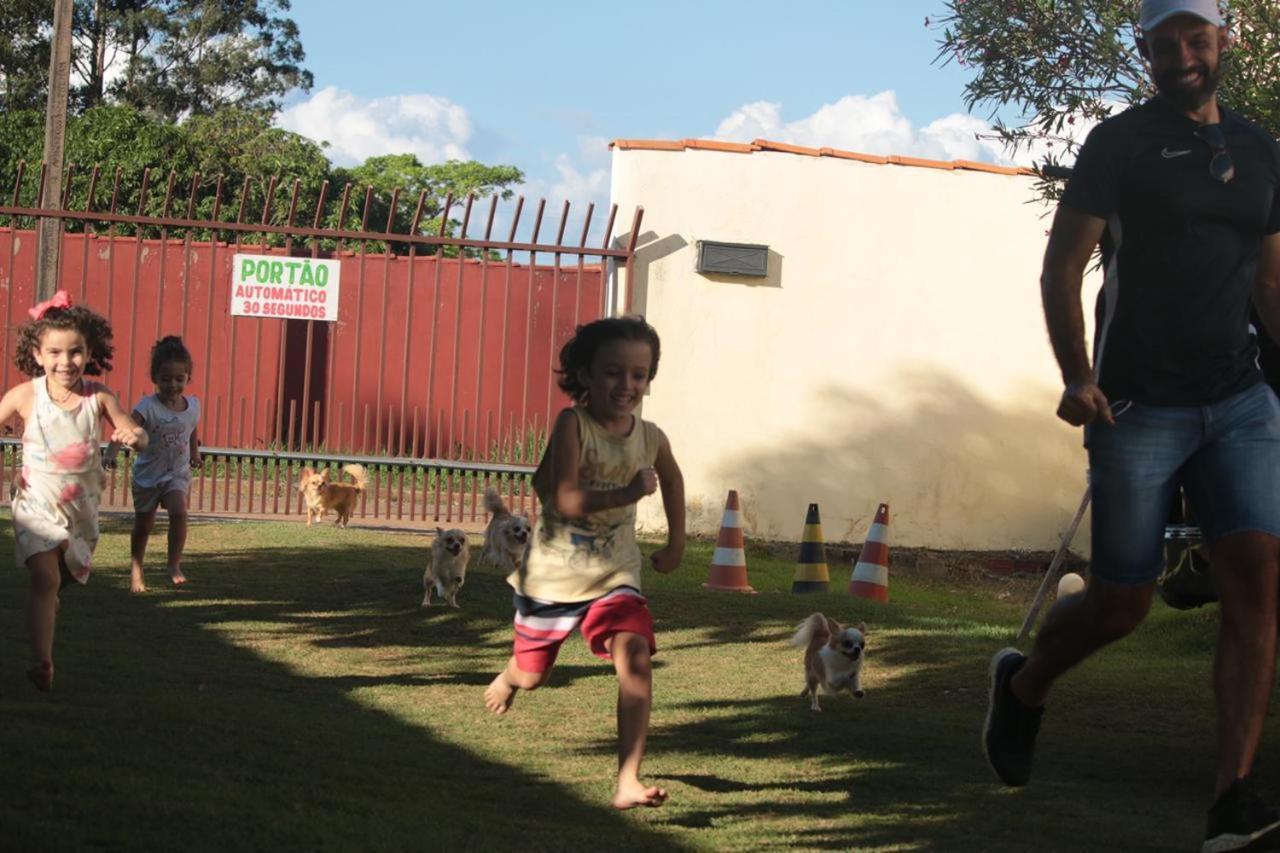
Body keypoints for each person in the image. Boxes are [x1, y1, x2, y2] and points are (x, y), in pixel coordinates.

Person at [982, 2, 1280, 849]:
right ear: (1145, 52)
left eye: (1196, 39)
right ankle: (1026, 684)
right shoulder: (1119, 144)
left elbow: (1271, 283)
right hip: (1138, 402)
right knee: (1122, 600)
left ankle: (1235, 795)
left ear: (1225, 43)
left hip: (1241, 399)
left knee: (1258, 573)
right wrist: (1077, 376)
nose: (1182, 55)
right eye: (1164, 43)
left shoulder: (1262, 152)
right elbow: (1063, 264)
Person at [482, 315, 686, 810]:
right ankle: (510, 676)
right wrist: (627, 491)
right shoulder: (572, 423)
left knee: (636, 657)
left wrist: (676, 541)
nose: (627, 384)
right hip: (553, 577)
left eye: (639, 374)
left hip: (616, 574)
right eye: (614, 372)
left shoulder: (651, 435)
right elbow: (567, 500)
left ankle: (628, 780)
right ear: (587, 374)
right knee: (534, 676)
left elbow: (673, 478)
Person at [0, 291, 147, 690]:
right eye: (55, 352)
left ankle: (47, 605)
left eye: (76, 352)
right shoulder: (25, 395)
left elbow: (138, 433)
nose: (66, 362)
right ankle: (43, 663)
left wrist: (132, 436)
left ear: (89, 351)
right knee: (44, 580)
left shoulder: (97, 397)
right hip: (34, 503)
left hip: (80, 511)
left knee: (58, 581)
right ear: (37, 353)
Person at [129, 336, 201, 592]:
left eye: (179, 379)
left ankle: (174, 565)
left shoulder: (192, 405)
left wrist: (195, 453)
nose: (173, 385)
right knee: (144, 525)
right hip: (149, 475)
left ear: (187, 377)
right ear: (155, 377)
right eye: (166, 379)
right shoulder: (147, 406)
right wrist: (111, 452)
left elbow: (191, 429)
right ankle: (137, 568)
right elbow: (127, 427)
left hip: (176, 473)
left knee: (180, 513)